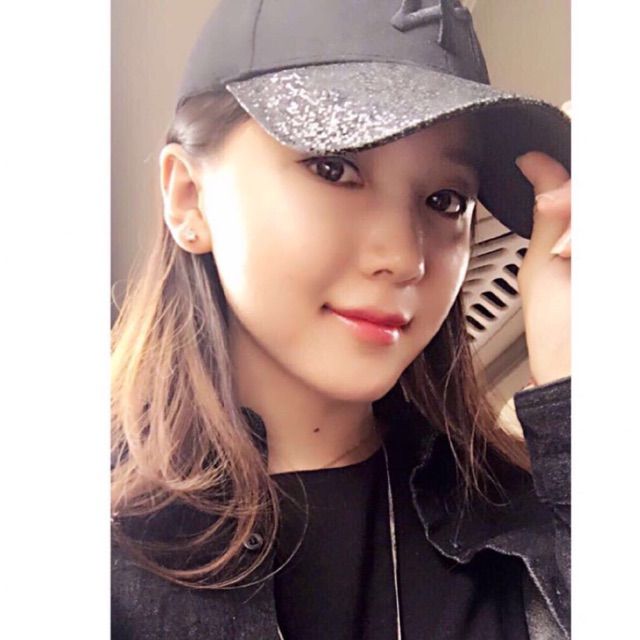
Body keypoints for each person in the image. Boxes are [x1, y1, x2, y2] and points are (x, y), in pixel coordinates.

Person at [111, 1, 571, 638]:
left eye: (445, 200)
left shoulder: (536, 515)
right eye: (334, 167)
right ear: (189, 198)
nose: (405, 257)